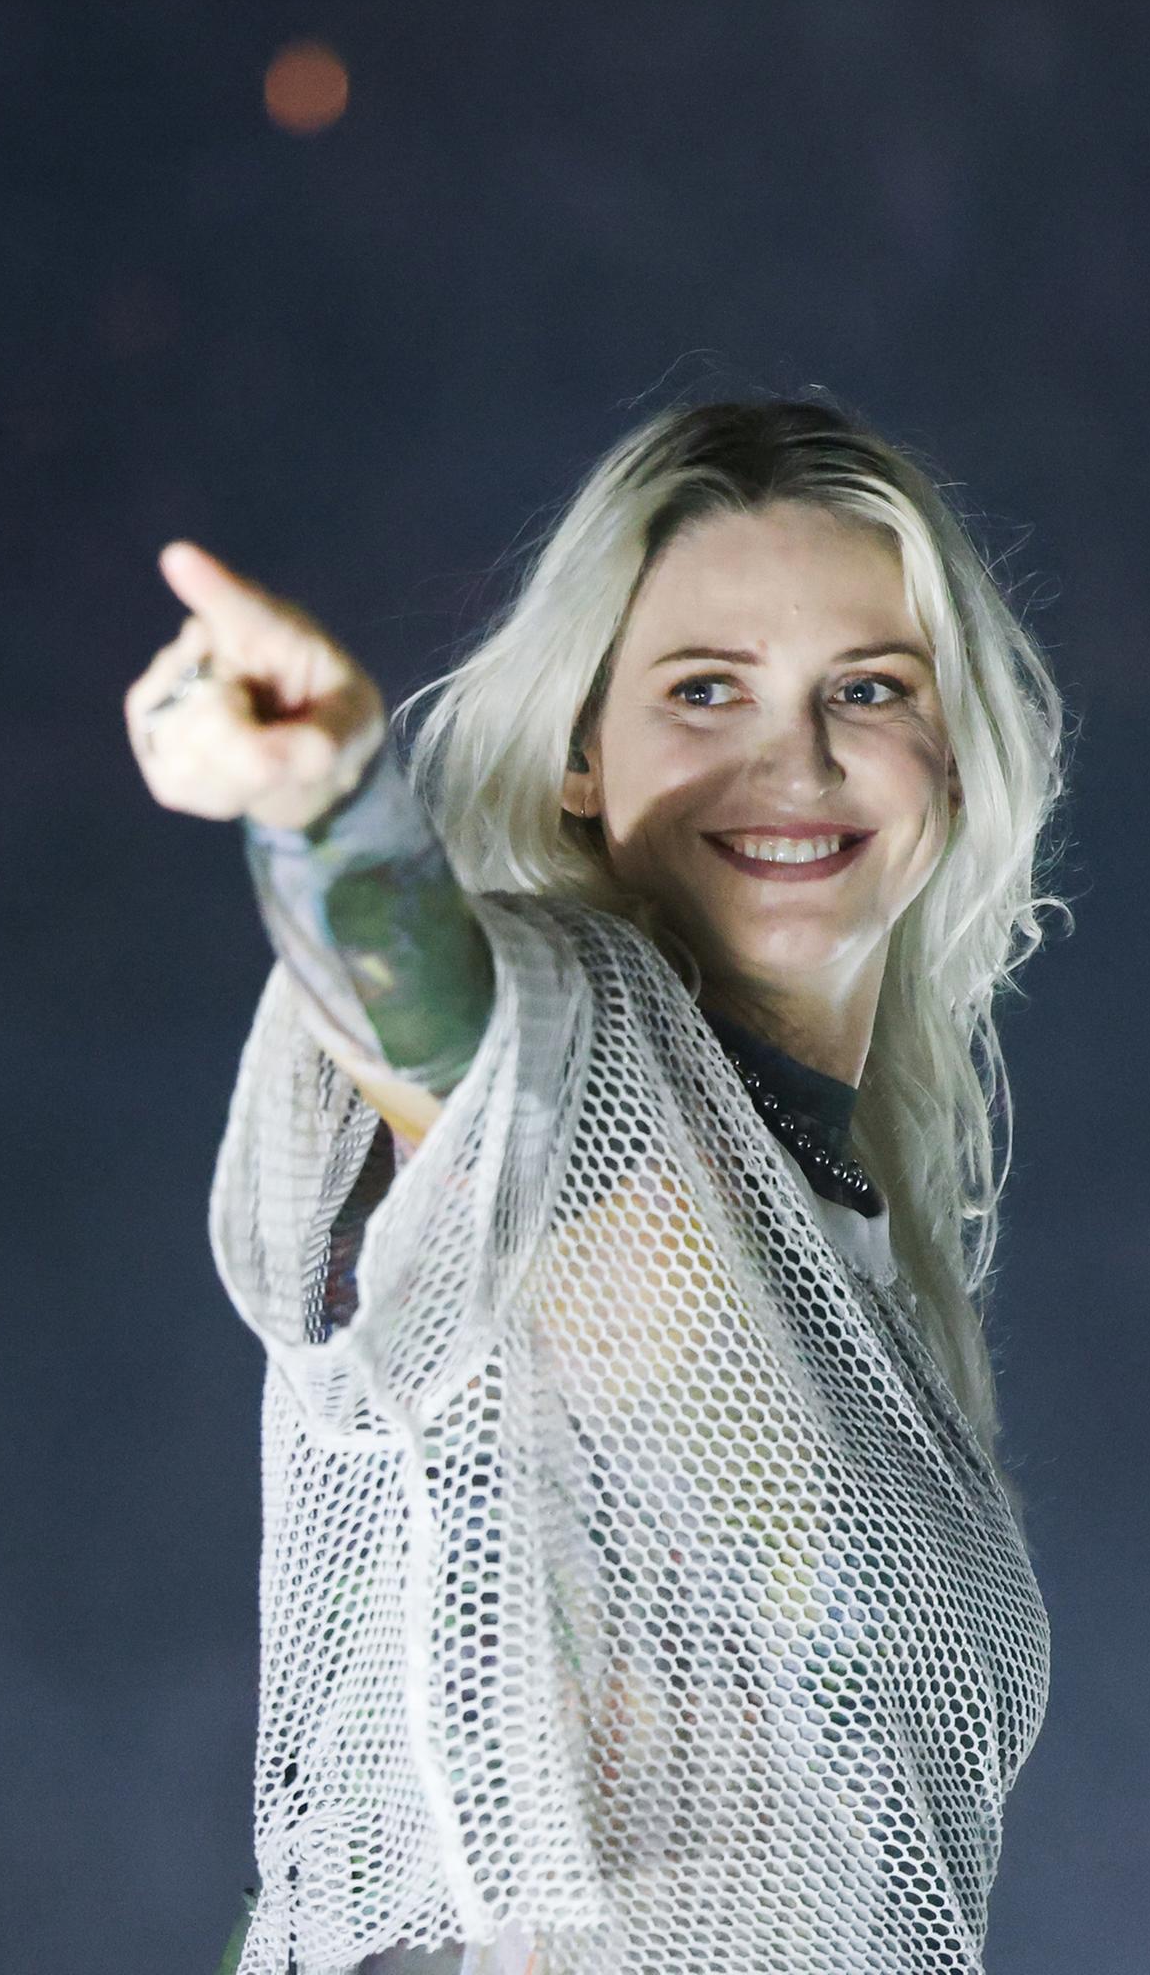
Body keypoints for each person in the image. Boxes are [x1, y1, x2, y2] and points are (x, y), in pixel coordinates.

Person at [127, 399, 1066, 1975]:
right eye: (706, 690)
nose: (798, 757)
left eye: (869, 689)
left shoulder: (868, 1261)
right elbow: (448, 1041)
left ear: (952, 759)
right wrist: (332, 805)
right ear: (580, 755)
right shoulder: (582, 1067)